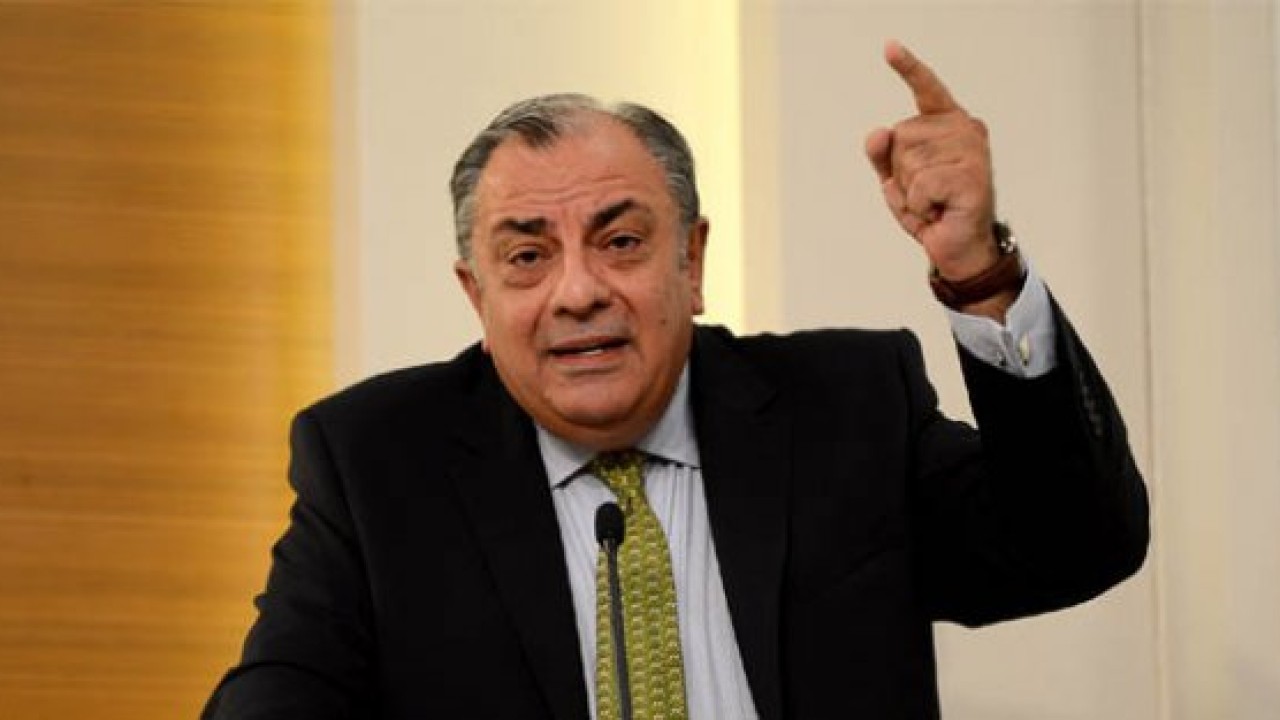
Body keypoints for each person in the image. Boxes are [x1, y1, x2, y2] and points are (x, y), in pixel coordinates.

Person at [204, 41, 1148, 719]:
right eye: (527, 257)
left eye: (620, 242)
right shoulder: (377, 466)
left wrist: (979, 272)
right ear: (476, 294)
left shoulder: (846, 407)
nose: (578, 291)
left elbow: (1077, 545)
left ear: (691, 262)